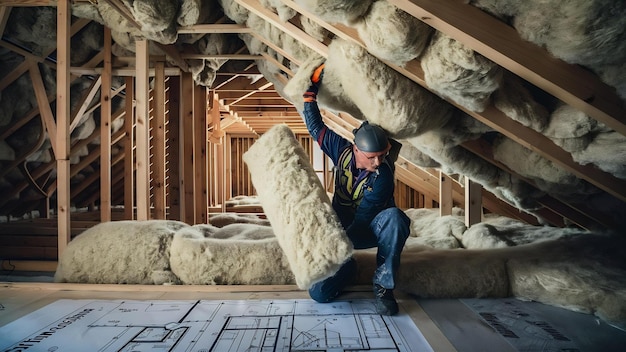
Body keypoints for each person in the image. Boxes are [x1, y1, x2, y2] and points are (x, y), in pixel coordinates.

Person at [301, 64, 411, 315]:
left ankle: (383, 285)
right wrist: (310, 93)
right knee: (319, 294)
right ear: (356, 149)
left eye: (382, 156)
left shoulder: (383, 176)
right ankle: (348, 268)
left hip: (369, 228)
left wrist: (339, 245)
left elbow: (363, 220)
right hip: (341, 227)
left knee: (395, 219)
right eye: (372, 157)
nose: (378, 163)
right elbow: (316, 128)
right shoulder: (340, 149)